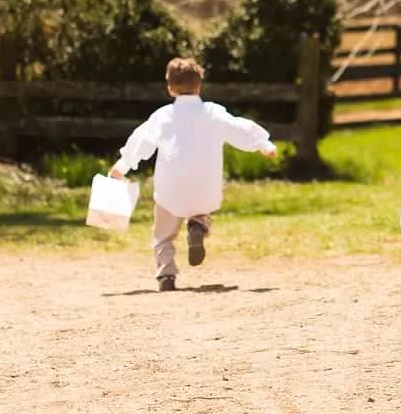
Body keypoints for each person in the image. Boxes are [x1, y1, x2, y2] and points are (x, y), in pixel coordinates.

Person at [109, 58, 276, 292]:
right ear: (199, 86)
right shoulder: (213, 112)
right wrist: (263, 144)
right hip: (204, 186)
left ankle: (166, 275)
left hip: (170, 187)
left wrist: (122, 165)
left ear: (169, 88)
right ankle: (198, 225)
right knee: (200, 205)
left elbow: (142, 140)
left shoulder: (162, 116)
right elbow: (238, 127)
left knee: (163, 235)